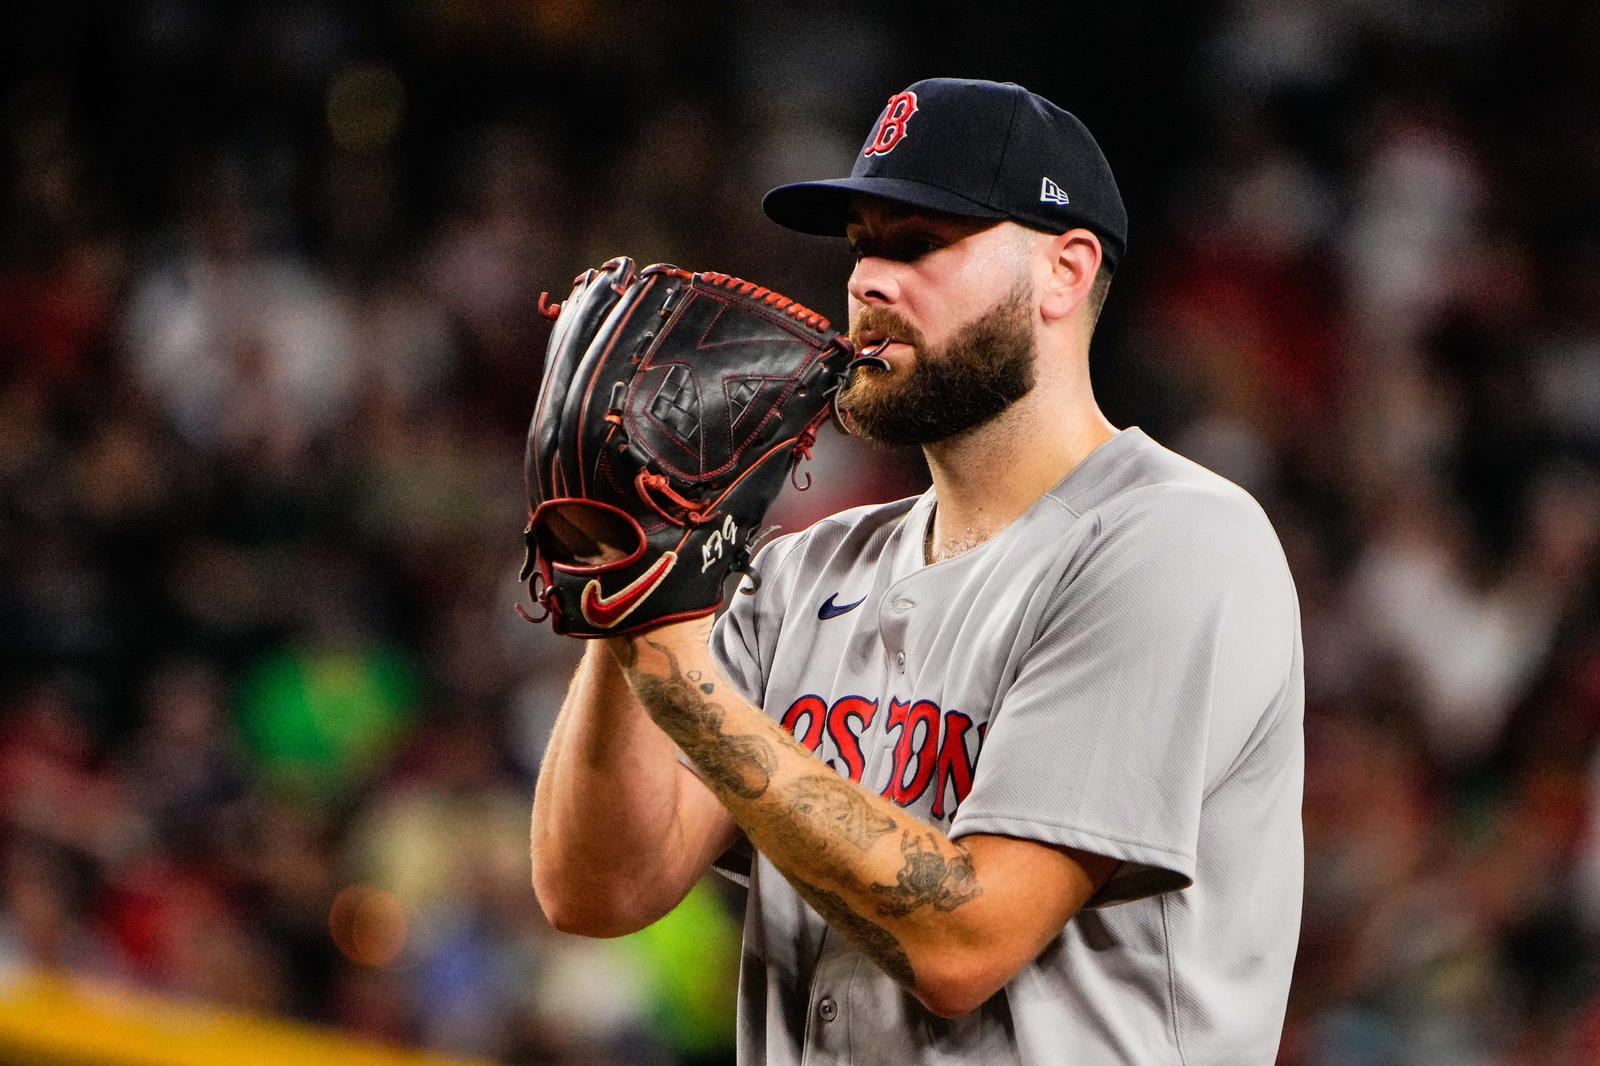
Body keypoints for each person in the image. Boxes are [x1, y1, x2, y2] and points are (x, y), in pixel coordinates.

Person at [530, 77, 1303, 1065]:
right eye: (860, 244)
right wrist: (630, 583)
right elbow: (597, 890)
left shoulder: (1174, 541)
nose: (866, 283)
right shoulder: (802, 572)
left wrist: (678, 664)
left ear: (1063, 272)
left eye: (919, 243)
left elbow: (962, 940)